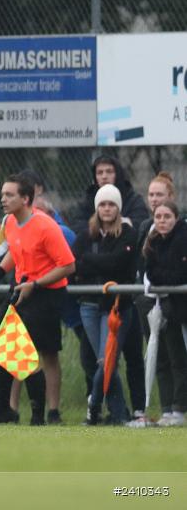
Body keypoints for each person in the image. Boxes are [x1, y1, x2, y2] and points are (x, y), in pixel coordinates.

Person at [0, 173, 75, 426]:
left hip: (45, 294)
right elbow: (15, 251)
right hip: (22, 289)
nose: (3, 199)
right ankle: (4, 410)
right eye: (2, 194)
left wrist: (36, 284)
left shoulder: (45, 226)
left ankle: (39, 416)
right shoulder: (10, 222)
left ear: (26, 199)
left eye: (9, 195)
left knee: (28, 352)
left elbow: (68, 266)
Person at [71, 184, 139, 425]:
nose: (107, 208)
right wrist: (99, 263)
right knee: (103, 361)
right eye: (102, 204)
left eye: (111, 204)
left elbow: (118, 264)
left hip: (116, 307)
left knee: (106, 359)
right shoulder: (86, 235)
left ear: (118, 208)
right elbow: (75, 265)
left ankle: (94, 406)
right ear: (96, 208)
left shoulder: (127, 233)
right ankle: (119, 414)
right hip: (89, 305)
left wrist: (90, 260)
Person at [131, 172, 183, 427]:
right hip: (149, 300)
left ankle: (180, 408)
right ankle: (167, 409)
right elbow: (147, 268)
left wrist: (161, 276)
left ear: (170, 197)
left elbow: (175, 271)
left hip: (175, 303)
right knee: (157, 355)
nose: (154, 200)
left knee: (177, 355)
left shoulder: (180, 233)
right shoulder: (146, 229)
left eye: (159, 195)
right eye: (151, 195)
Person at [142, 200, 187, 427]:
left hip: (181, 307)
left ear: (176, 218)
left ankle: (179, 409)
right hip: (168, 308)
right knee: (172, 357)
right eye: (158, 217)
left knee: (181, 360)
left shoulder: (182, 239)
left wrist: (163, 277)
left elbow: (179, 274)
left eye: (167, 217)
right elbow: (151, 272)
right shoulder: (154, 241)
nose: (162, 221)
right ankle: (172, 409)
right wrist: (164, 277)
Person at [71, 155, 150, 234]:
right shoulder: (88, 200)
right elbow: (78, 226)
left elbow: (140, 225)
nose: (104, 176)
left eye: (109, 172)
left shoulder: (133, 200)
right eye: (100, 173)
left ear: (118, 174)